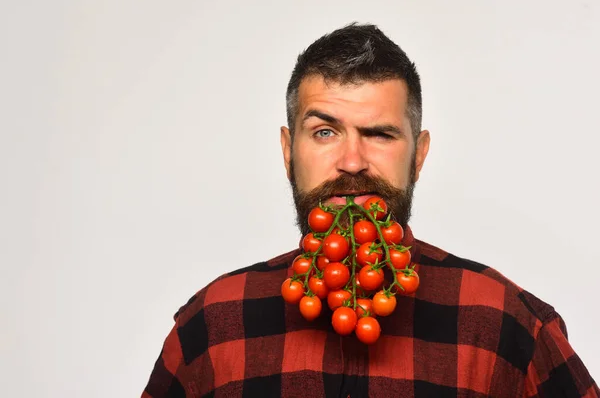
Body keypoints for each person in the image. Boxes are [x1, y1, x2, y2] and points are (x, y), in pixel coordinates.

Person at [141, 23, 598, 398]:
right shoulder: (212, 325)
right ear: (288, 151)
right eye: (324, 132)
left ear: (418, 156)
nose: (353, 161)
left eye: (379, 134)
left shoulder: (508, 326)